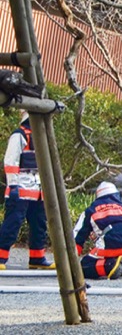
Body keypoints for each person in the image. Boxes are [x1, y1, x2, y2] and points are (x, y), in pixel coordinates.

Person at [0, 112, 53, 270]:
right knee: (12, 224)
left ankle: (37, 258)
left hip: (38, 192)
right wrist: (13, 185)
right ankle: (1, 257)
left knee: (39, 225)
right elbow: (11, 161)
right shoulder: (19, 135)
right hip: (20, 190)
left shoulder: (42, 137)